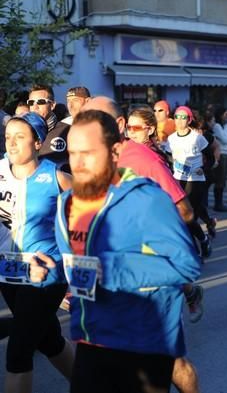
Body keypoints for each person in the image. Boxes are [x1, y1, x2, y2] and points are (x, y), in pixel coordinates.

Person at [29, 109, 201, 393]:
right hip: (92, 336)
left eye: (89, 152)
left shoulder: (145, 198)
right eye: (73, 153)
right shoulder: (66, 204)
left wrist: (115, 269)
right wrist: (48, 270)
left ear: (116, 151)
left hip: (143, 337)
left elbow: (185, 265)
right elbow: (73, 265)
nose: (79, 162)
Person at [0, 112, 74, 393]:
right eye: (8, 137)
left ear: (37, 142)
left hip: (46, 274)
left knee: (18, 353)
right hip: (8, 270)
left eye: (20, 137)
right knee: (49, 340)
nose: (12, 144)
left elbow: (86, 223)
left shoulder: (56, 178)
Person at [166, 106, 218, 239]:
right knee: (193, 208)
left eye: (183, 117)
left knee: (190, 212)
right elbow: (168, 158)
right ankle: (209, 222)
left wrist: (204, 168)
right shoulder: (171, 139)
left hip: (195, 179)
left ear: (189, 120)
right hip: (178, 178)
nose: (179, 120)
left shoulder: (197, 138)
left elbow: (211, 158)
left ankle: (198, 241)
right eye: (177, 117)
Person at [28, 84, 70, 169]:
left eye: (41, 102)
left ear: (52, 105)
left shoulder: (67, 131)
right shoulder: (23, 131)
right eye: (31, 102)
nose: (35, 107)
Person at [212, 106, 227, 212]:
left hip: (226, 152)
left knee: (223, 178)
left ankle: (220, 202)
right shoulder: (217, 126)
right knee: (220, 178)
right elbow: (226, 140)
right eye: (226, 114)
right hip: (221, 153)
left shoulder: (225, 126)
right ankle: (218, 203)